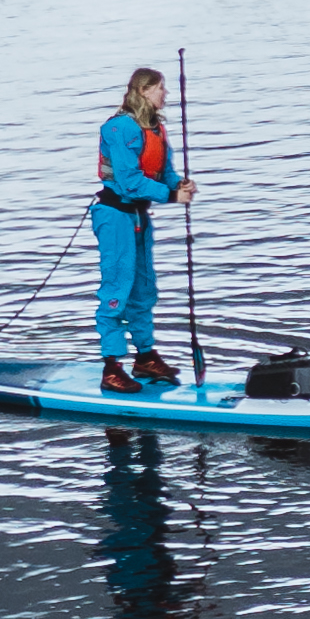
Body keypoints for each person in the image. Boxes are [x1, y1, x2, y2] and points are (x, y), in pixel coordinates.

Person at [94, 65, 191, 391]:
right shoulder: (120, 128)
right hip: (115, 216)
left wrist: (179, 185)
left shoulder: (156, 130)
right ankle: (111, 367)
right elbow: (130, 182)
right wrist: (171, 196)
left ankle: (145, 357)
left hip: (139, 218)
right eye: (160, 89)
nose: (165, 95)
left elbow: (163, 175)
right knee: (117, 288)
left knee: (144, 289)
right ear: (145, 91)